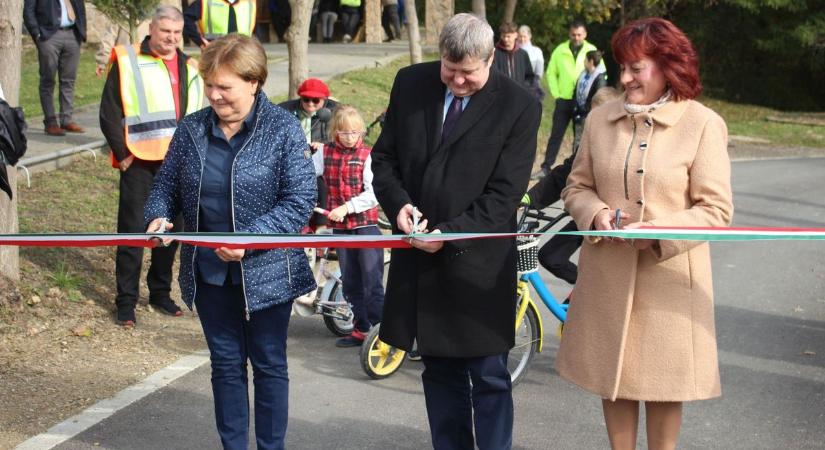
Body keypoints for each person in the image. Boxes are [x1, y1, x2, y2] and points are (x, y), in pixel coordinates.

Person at [558, 18, 734, 450]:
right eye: (622, 67)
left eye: (636, 68)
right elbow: (576, 187)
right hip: (606, 276)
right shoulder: (600, 120)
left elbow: (716, 210)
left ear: (668, 66)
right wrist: (595, 213)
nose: (624, 78)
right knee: (612, 379)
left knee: (661, 383)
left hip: (670, 279)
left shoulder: (703, 124)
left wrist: (655, 231)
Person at [371, 13, 541, 450]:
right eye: (450, 69)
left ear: (491, 59)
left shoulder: (519, 105)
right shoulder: (411, 83)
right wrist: (399, 205)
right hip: (418, 255)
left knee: (488, 375)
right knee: (439, 372)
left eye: (469, 73)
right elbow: (384, 159)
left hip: (477, 264)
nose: (458, 82)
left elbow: (505, 195)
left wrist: (449, 233)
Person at [144, 34, 316, 450]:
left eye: (226, 87)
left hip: (268, 271)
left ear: (254, 82)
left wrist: (251, 241)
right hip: (210, 272)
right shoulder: (192, 129)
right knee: (224, 367)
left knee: (270, 366)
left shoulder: (283, 129)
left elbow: (300, 200)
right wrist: (156, 213)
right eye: (210, 86)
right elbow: (165, 183)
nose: (215, 96)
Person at [99, 6, 204, 327]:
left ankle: (159, 293)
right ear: (152, 30)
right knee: (132, 234)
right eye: (165, 32)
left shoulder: (192, 66)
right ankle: (126, 302)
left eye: (176, 32)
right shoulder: (129, 61)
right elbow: (109, 111)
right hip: (140, 163)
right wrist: (123, 153)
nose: (171, 38)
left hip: (180, 167)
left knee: (172, 234)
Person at [523, 86, 620, 288]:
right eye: (590, 117)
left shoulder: (623, 146)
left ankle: (595, 292)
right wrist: (528, 199)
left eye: (598, 118)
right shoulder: (588, 144)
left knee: (598, 265)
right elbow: (563, 174)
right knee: (550, 256)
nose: (592, 124)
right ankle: (589, 289)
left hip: (612, 222)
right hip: (588, 214)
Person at [323, 105, 384, 347]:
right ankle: (361, 328)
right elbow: (307, 173)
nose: (350, 137)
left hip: (365, 227)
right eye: (345, 133)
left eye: (355, 133)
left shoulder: (367, 157)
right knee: (350, 281)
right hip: (341, 229)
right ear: (335, 132)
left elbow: (374, 194)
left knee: (372, 282)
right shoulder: (324, 153)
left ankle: (382, 334)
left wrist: (346, 208)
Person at [535, 20, 601, 178]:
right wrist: (556, 94)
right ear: (569, 34)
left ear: (585, 34)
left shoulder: (591, 50)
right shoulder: (560, 49)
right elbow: (551, 72)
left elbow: (599, 73)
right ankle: (545, 167)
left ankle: (577, 170)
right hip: (563, 99)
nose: (576, 37)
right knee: (555, 135)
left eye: (579, 34)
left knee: (581, 137)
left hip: (582, 102)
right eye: (573, 34)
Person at [278, 78, 338, 230]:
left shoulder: (336, 113)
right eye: (306, 100)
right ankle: (299, 225)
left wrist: (324, 146)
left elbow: (344, 137)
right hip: (295, 160)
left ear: (324, 100)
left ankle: (321, 225)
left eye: (316, 100)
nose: (310, 104)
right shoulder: (284, 111)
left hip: (323, 161)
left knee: (320, 183)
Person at [23, 0, 87, 136]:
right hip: (49, 37)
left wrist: (81, 32)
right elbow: (28, 11)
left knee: (69, 80)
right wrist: (37, 34)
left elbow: (80, 7)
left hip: (72, 34)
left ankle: (66, 119)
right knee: (48, 81)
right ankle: (50, 123)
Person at [571, 50, 608, 151]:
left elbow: (599, 99)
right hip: (578, 112)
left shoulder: (600, 78)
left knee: (584, 142)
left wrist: (586, 109)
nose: (584, 62)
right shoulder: (583, 74)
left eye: (585, 60)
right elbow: (576, 90)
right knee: (577, 139)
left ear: (591, 61)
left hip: (588, 114)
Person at [184, 0, 256, 48]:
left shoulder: (250, 2)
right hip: (216, 51)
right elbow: (185, 19)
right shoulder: (206, 2)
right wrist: (200, 42)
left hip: (244, 51)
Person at [492, 22, 538, 97]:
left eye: (508, 36)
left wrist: (524, 88)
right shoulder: (494, 53)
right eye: (503, 36)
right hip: (500, 97)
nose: (505, 39)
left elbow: (529, 76)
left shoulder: (523, 54)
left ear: (516, 35)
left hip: (520, 96)